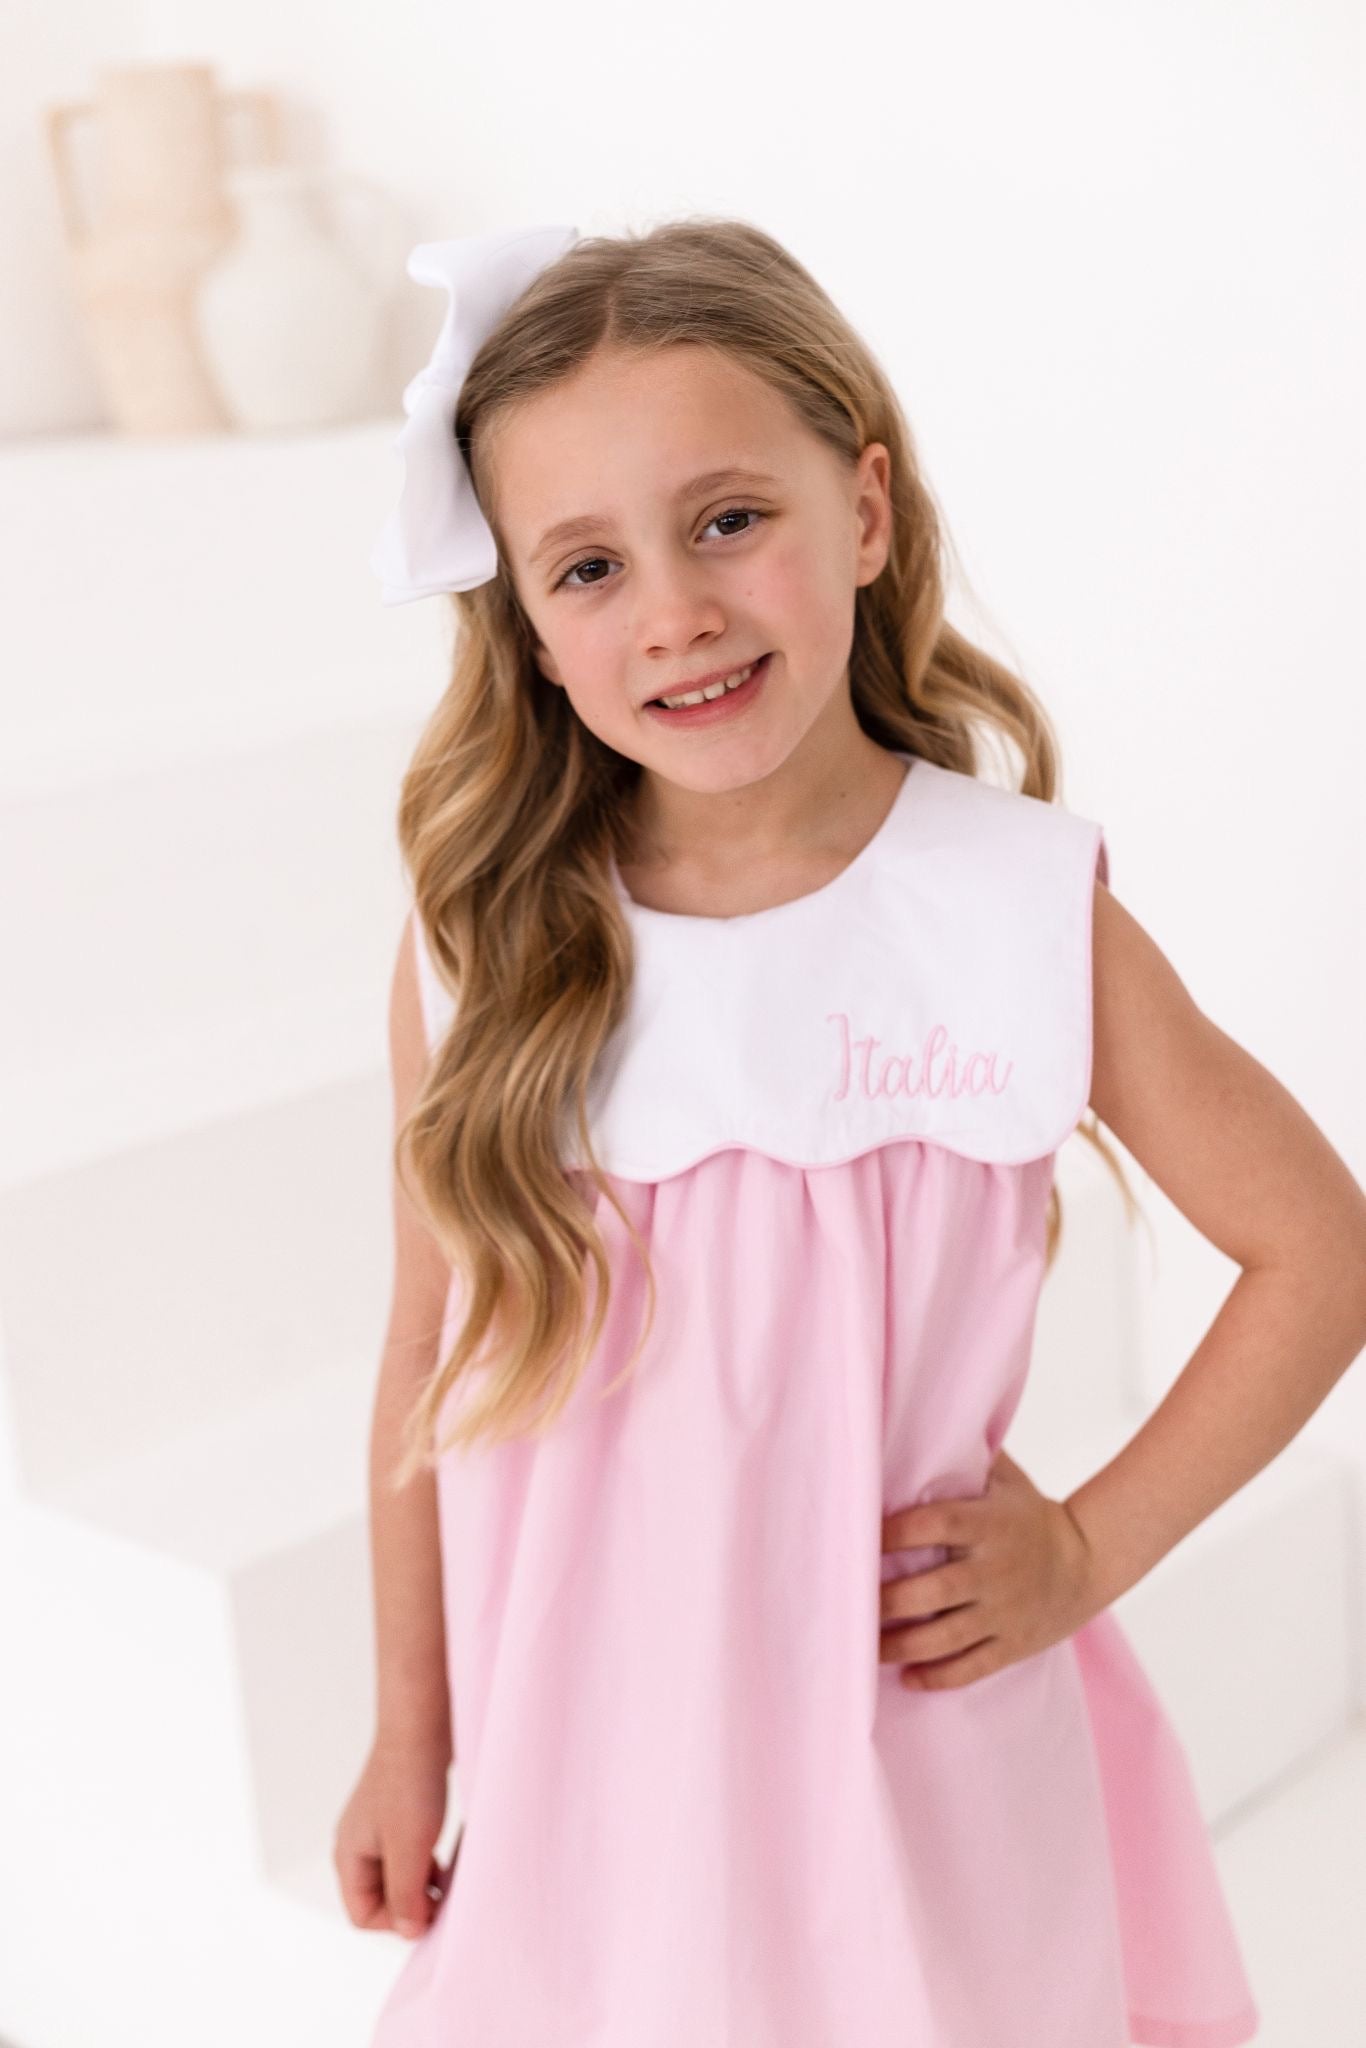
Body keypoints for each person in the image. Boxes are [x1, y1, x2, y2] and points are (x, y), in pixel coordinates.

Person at [333, 218, 1366, 2046]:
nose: (674, 611)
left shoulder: (1008, 909)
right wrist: (411, 1733)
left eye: (728, 520)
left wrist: (1086, 1549)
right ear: (531, 629)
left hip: (906, 1745)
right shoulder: (483, 941)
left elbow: (1318, 1250)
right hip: (594, 1761)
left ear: (864, 513)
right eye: (589, 566)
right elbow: (428, 1350)